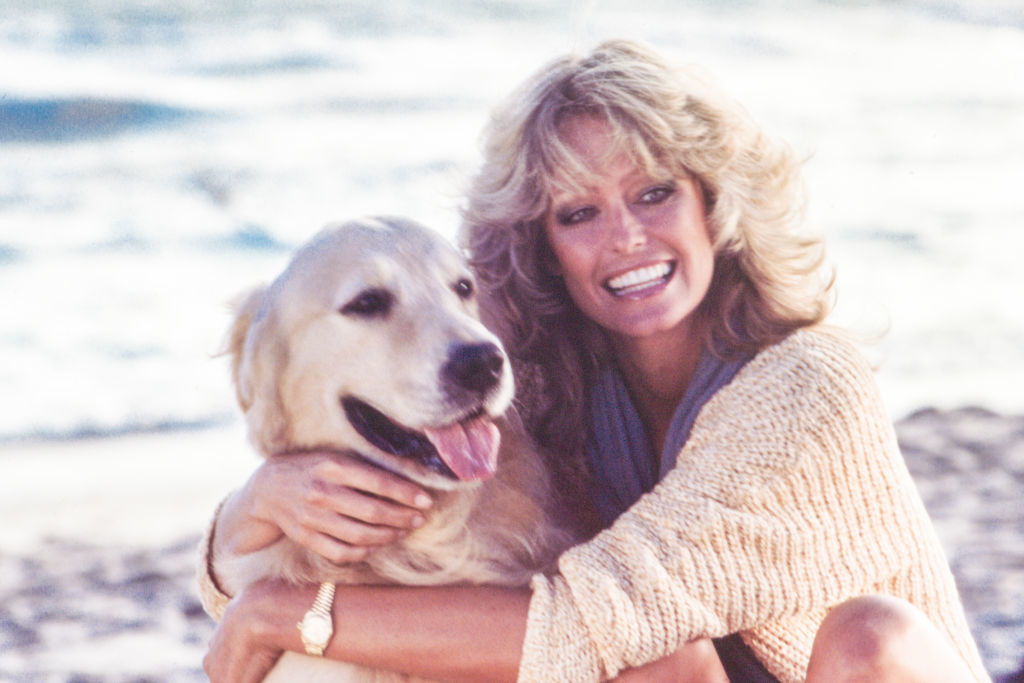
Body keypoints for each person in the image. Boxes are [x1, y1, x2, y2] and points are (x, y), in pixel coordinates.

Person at [198, 39, 989, 682]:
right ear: (545, 241)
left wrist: (283, 612)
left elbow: (586, 623)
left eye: (654, 194)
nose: (626, 239)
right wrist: (260, 505)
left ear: (713, 201)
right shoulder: (540, 375)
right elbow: (340, 569)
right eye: (579, 213)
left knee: (866, 635)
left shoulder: (807, 389)